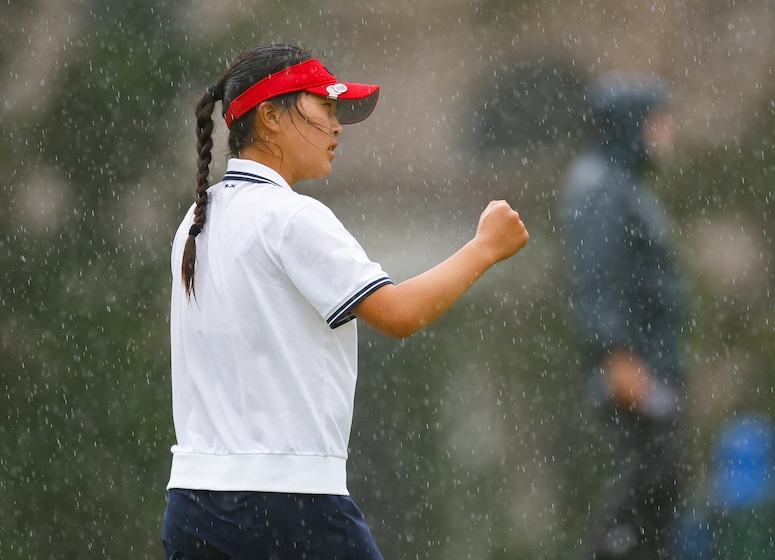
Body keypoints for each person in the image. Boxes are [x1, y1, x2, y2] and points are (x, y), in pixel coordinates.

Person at [161, 44, 529, 560]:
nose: (337, 127)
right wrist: (485, 248)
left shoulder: (195, 222)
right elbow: (398, 314)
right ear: (269, 116)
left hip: (193, 505)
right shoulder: (292, 217)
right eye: (325, 108)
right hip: (290, 504)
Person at [559, 72, 688, 560]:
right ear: (632, 123)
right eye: (657, 122)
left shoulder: (623, 185)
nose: (666, 133)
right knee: (642, 491)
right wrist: (615, 354)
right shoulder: (601, 188)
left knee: (659, 493)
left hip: (654, 365)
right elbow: (598, 280)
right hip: (635, 370)